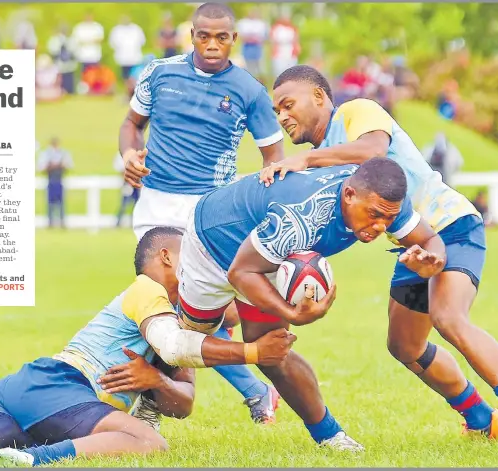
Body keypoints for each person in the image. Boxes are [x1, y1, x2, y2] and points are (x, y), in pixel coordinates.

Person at [261, 65, 498, 454]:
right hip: (412, 244)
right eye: (276, 110)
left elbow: (373, 152)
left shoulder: (356, 112)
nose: (282, 116)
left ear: (318, 96)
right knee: (404, 344)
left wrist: (307, 162)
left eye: (287, 104)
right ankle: (483, 420)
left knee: (448, 317)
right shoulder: (323, 155)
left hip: (450, 225)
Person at [0, 228, 296, 466]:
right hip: (65, 387)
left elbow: (184, 403)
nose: (201, 266)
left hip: (26, 390)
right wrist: (254, 354)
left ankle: (26, 449)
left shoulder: (180, 314)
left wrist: (155, 379)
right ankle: (38, 459)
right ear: (166, 257)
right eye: (192, 255)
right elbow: (177, 348)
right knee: (148, 442)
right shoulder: (145, 291)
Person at [176, 157, 447, 452]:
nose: (381, 226)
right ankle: (150, 392)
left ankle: (331, 436)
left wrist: (433, 263)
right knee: (189, 339)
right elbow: (240, 272)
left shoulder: (385, 200)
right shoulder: (301, 218)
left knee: (272, 350)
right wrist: (292, 313)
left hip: (269, 253)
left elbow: (430, 239)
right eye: (373, 215)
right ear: (349, 195)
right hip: (213, 242)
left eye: (388, 219)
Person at [119, 2, 285, 427]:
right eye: (203, 36)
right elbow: (131, 124)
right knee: (167, 305)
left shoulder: (249, 90)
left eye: (222, 37)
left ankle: (157, 404)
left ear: (234, 39)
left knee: (185, 309)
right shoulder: (159, 73)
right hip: (154, 202)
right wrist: (128, 154)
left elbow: (273, 157)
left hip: (208, 209)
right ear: (191, 35)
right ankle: (247, 391)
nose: (212, 45)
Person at [37, 138, 73, 228]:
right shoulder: (46, 154)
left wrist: (61, 165)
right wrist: (51, 166)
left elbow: (69, 165)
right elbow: (41, 167)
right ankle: (50, 222)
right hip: (51, 180)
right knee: (50, 203)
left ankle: (62, 221)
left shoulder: (63, 153)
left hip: (59, 180)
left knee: (61, 203)